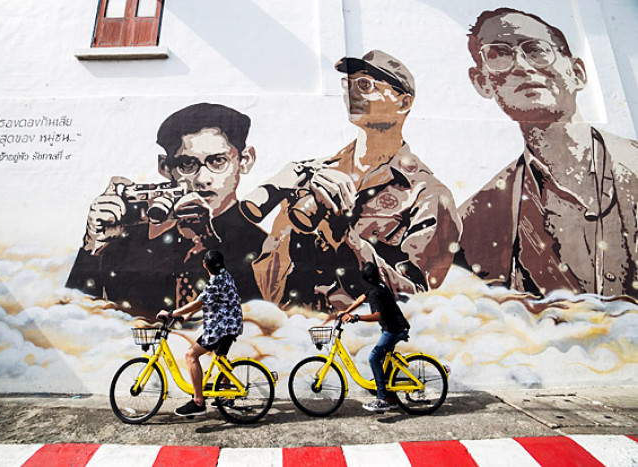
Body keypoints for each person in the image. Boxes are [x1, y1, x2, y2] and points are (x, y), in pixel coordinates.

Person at [242, 50, 461, 311]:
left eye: (365, 85)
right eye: (347, 84)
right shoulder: (314, 175)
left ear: (403, 103)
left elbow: (418, 300)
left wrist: (346, 237)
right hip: (302, 330)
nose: (352, 93)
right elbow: (269, 287)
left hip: (364, 330)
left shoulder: (427, 194)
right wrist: (291, 221)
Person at [457, 8, 638, 298]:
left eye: (536, 50)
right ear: (482, 83)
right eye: (498, 55)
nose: (520, 66)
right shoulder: (477, 218)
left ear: (577, 73)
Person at [66, 103, 267, 318]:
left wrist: (208, 242)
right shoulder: (129, 243)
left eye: (218, 161)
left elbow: (259, 318)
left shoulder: (264, 247)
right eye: (187, 164)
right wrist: (92, 249)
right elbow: (73, 320)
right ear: (164, 167)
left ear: (245, 160)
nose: (202, 179)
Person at [156, 250, 243, 416]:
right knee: (220, 358)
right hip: (231, 325)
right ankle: (227, 397)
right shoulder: (225, 276)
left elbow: (199, 302)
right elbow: (209, 300)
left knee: (191, 355)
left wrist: (172, 313)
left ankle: (198, 401)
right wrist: (188, 315)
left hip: (221, 328)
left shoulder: (215, 281)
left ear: (204, 265)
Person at [341, 261, 410, 412]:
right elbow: (361, 298)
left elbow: (377, 315)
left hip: (394, 330)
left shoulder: (375, 293)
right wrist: (346, 312)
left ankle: (382, 398)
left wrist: (356, 317)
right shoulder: (378, 285)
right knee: (385, 361)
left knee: (373, 358)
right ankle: (390, 397)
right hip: (396, 327)